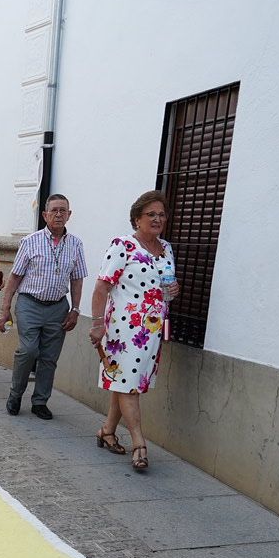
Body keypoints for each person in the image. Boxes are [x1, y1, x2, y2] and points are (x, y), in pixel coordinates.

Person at [90, 190, 177, 472]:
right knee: (129, 384)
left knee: (125, 381)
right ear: (137, 218)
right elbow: (102, 287)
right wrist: (97, 323)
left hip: (152, 330)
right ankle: (139, 443)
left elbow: (163, 288)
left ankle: (107, 430)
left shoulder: (166, 248)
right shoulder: (123, 245)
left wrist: (172, 291)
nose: (157, 219)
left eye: (161, 214)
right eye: (151, 214)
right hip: (124, 331)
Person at [0, 194, 86, 419]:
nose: (58, 214)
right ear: (45, 215)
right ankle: (15, 394)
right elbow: (15, 278)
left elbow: (77, 279)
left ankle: (40, 402)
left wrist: (75, 309)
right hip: (30, 304)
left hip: (58, 307)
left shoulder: (76, 244)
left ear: (69, 215)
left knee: (49, 357)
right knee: (28, 351)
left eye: (63, 210)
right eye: (54, 210)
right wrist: (5, 309)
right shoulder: (30, 241)